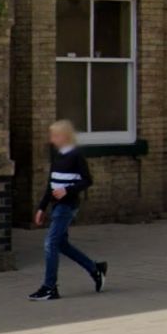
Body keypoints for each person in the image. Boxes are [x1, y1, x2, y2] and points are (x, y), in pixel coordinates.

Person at [27, 120, 107, 301]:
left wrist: (67, 190)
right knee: (61, 244)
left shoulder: (76, 155)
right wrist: (41, 207)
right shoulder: (58, 156)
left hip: (67, 205)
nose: (52, 139)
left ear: (65, 136)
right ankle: (95, 269)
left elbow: (87, 180)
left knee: (50, 243)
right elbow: (51, 184)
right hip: (56, 206)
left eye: (55, 135)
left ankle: (49, 288)